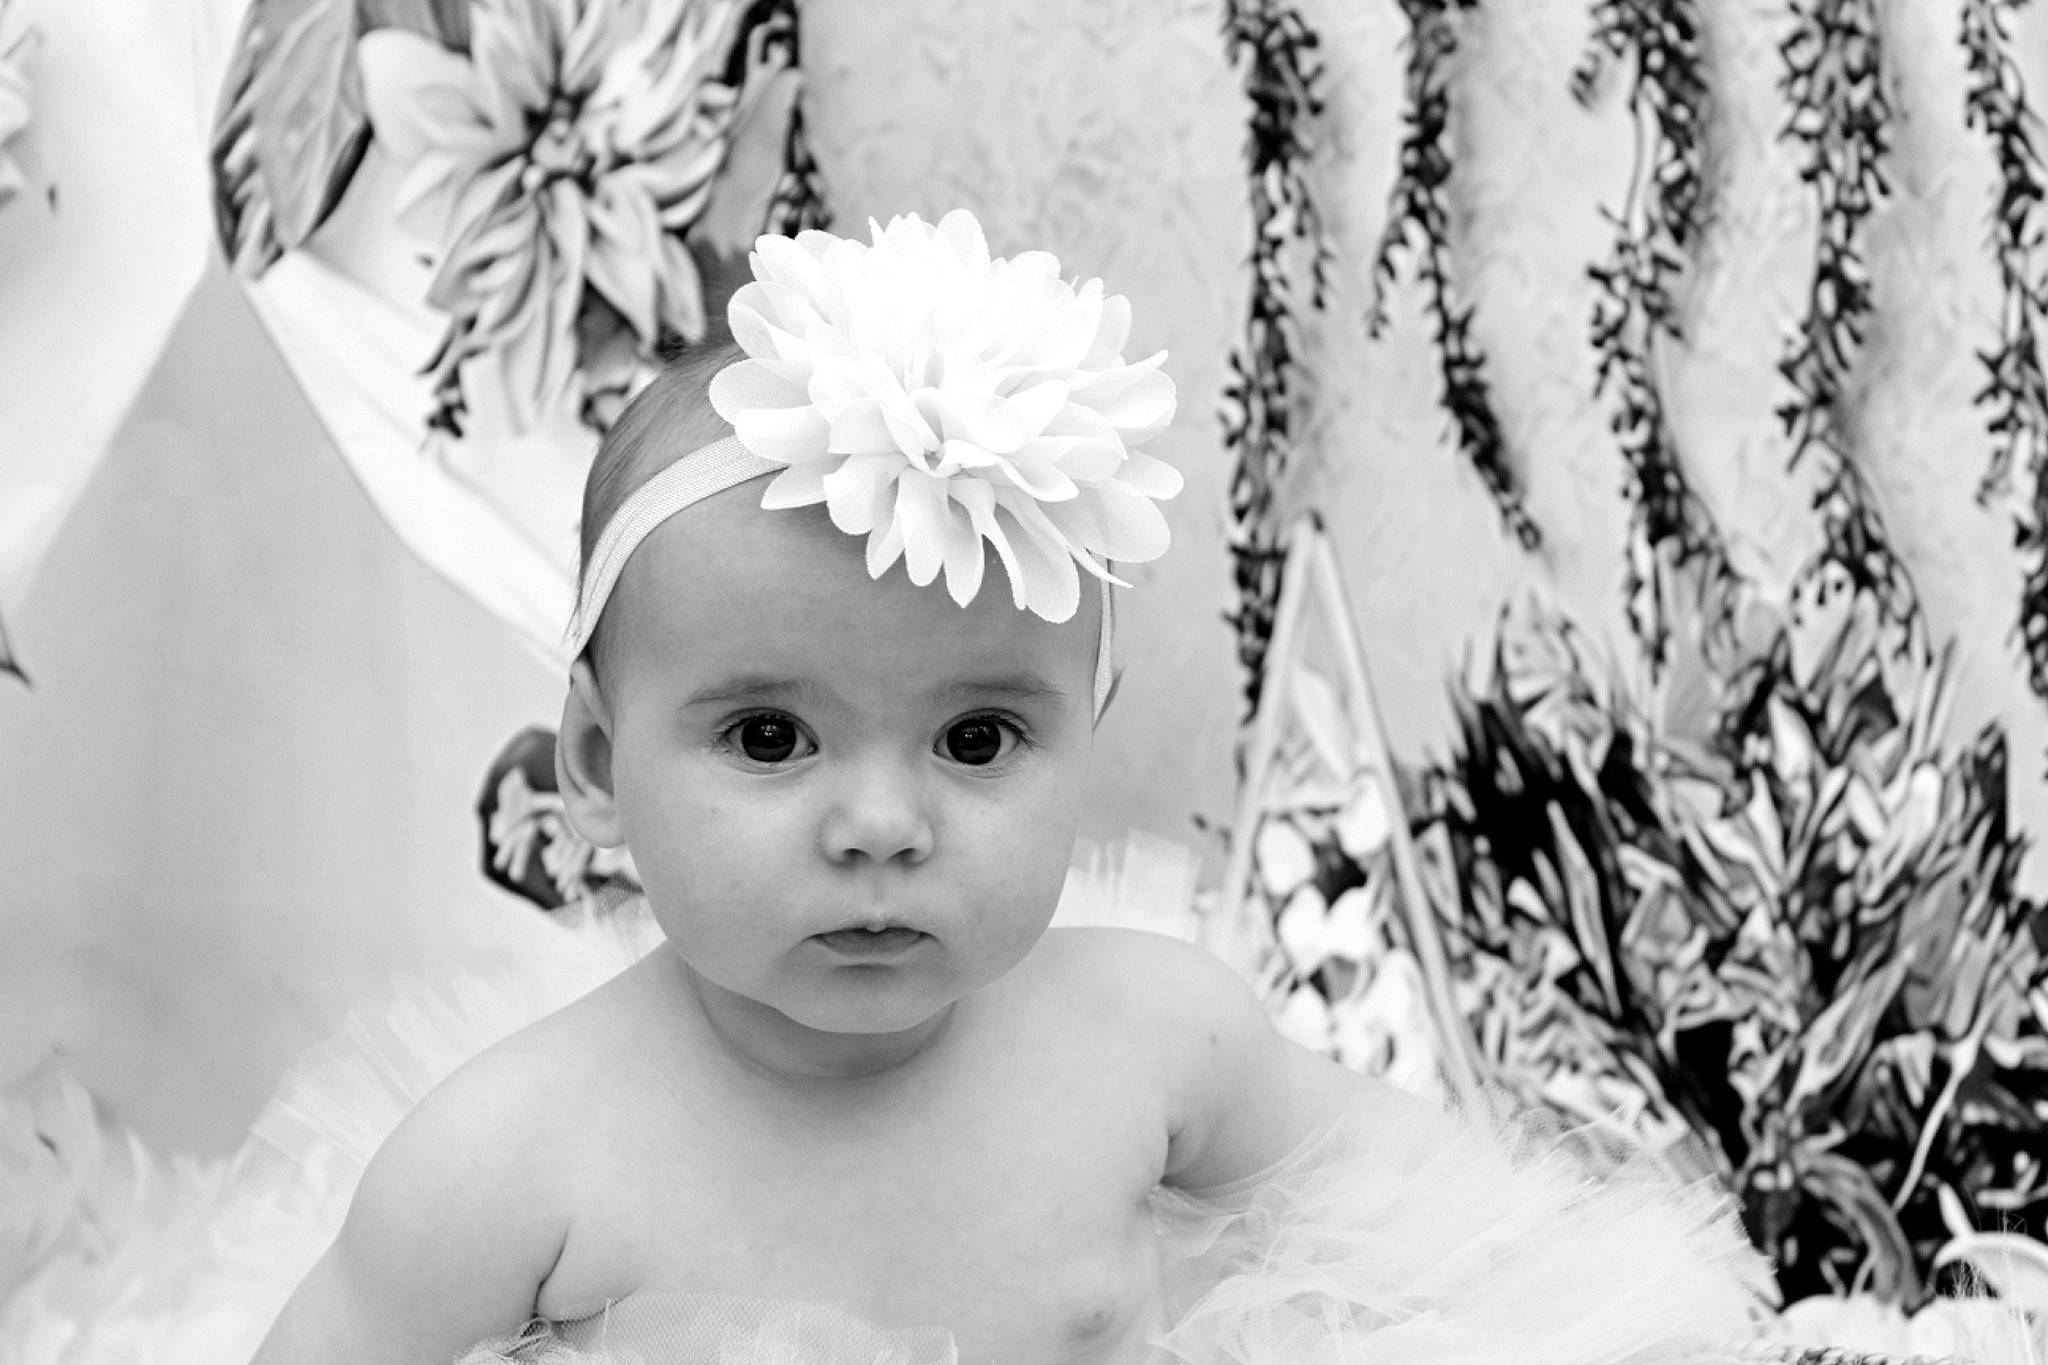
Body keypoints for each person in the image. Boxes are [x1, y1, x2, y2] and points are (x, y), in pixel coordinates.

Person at [248, 210, 1765, 1365]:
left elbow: (1468, 1238)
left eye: (976, 740)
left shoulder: (1153, 1043)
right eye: (769, 737)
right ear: (595, 763)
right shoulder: (511, 1161)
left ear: (1083, 736)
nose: (883, 826)